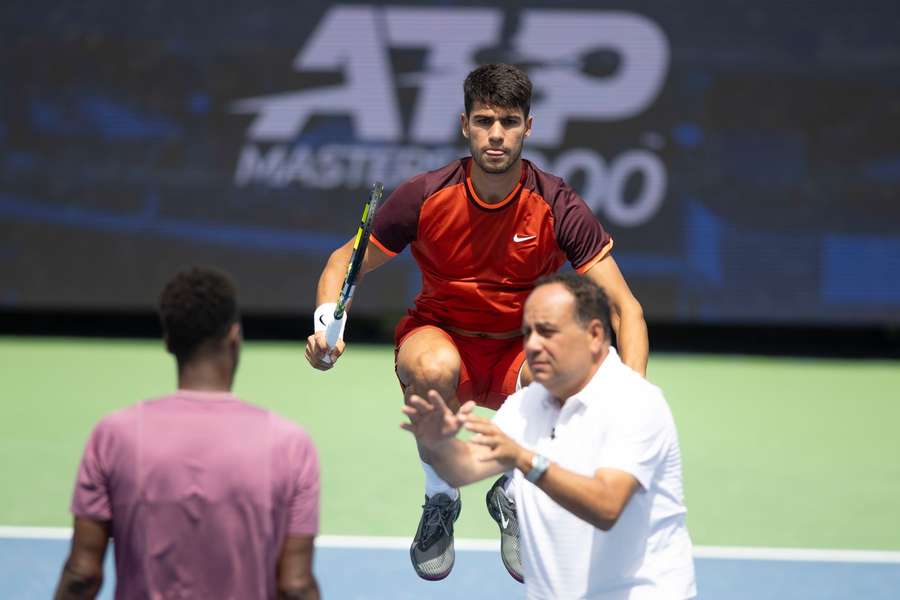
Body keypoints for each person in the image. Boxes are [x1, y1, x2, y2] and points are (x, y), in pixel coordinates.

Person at [306, 63, 648, 582]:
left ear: (528, 128)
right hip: (444, 338)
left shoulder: (556, 204)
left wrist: (634, 401)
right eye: (484, 120)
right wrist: (327, 328)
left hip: (521, 353)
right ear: (464, 124)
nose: (496, 134)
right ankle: (440, 497)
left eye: (509, 122)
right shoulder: (424, 196)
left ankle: (511, 491)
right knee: (431, 364)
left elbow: (626, 309)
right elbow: (340, 264)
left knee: (570, 365)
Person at [402, 272, 696, 599]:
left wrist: (525, 460)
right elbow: (465, 467)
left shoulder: (634, 402)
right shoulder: (531, 402)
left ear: (595, 335)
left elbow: (607, 506)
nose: (533, 344)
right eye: (528, 332)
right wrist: (436, 442)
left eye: (548, 332)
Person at [54, 267, 321, 600]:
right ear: (234, 337)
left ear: (169, 341)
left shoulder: (112, 435)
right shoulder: (291, 445)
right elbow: (295, 587)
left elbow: (82, 575)